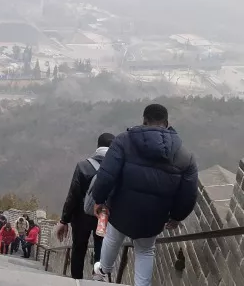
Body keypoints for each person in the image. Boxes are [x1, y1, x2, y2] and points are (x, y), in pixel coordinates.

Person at [91, 104, 198, 285]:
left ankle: (103, 271)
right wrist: (177, 216)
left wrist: (98, 199)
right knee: (146, 251)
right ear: (167, 123)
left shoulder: (124, 141)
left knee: (112, 238)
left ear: (144, 120)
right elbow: (189, 194)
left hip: (121, 208)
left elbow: (106, 175)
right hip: (154, 216)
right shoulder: (185, 156)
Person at [55, 132, 115, 279]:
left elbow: (73, 195)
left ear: (98, 146)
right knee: (102, 248)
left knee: (78, 248)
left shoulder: (83, 166)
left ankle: (77, 280)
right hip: (104, 216)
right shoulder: (116, 168)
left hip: (82, 215)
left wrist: (64, 220)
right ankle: (98, 278)